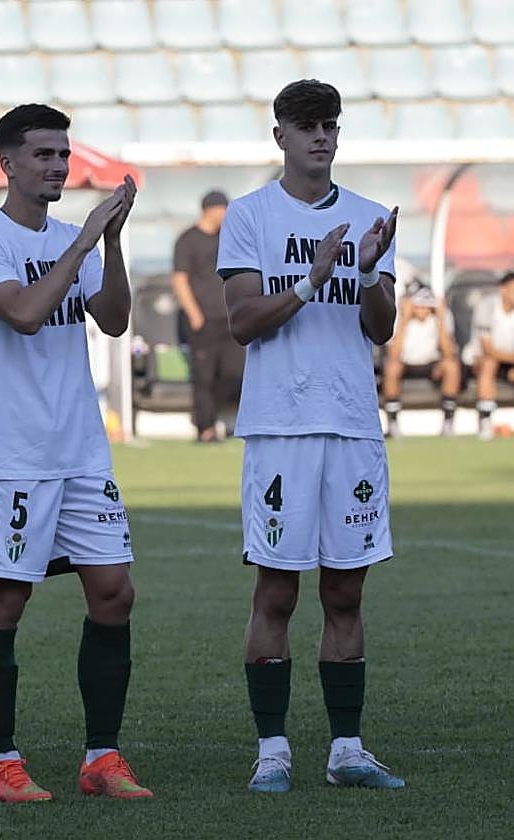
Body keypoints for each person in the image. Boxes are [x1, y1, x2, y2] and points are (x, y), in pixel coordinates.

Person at [0, 104, 152, 803]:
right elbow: (26, 313)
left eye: (63, 155)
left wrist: (111, 244)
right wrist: (86, 241)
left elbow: (115, 319)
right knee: (5, 602)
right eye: (43, 155)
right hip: (12, 457)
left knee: (114, 592)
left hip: (81, 451)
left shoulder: (77, 240)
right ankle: (2, 764)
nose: (58, 166)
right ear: (7, 163)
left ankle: (102, 757)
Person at [218, 79, 405, 794]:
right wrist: (310, 279)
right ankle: (273, 750)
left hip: (352, 425)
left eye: (329, 124)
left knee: (346, 593)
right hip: (280, 428)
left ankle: (346, 750)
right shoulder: (250, 216)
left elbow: (381, 328)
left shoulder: (368, 217)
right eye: (306, 126)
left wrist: (366, 270)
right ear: (281, 137)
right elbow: (242, 322)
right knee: (275, 591)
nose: (320, 136)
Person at [172, 190, 245, 442]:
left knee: (234, 373)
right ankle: (205, 428)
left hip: (231, 319)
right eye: (222, 209)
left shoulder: (230, 239)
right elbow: (179, 279)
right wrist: (194, 315)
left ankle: (217, 417)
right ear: (210, 210)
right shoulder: (187, 240)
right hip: (202, 321)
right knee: (203, 376)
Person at [381, 285, 460, 437]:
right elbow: (393, 354)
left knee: (451, 366)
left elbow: (449, 353)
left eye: (426, 305)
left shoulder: (441, 317)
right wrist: (404, 319)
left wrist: (441, 320)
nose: (423, 309)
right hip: (406, 364)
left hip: (432, 364)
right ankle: (393, 422)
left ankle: (448, 422)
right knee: (392, 367)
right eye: (419, 305)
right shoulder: (399, 317)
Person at [472, 270, 514, 440]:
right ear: (502, 289)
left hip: (508, 360)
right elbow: (487, 349)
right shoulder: (487, 306)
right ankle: (485, 420)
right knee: (489, 363)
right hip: (479, 360)